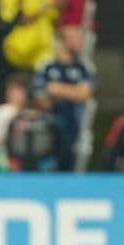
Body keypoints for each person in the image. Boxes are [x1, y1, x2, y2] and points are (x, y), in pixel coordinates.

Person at [35, 38, 93, 171]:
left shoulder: (83, 67)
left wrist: (56, 89)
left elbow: (84, 94)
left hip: (75, 128)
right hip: (49, 131)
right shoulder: (46, 66)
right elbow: (43, 101)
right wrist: (73, 91)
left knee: (71, 169)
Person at [0, 0, 56, 72]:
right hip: (18, 51)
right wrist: (41, 10)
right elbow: (14, 21)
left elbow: (55, 18)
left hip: (43, 51)